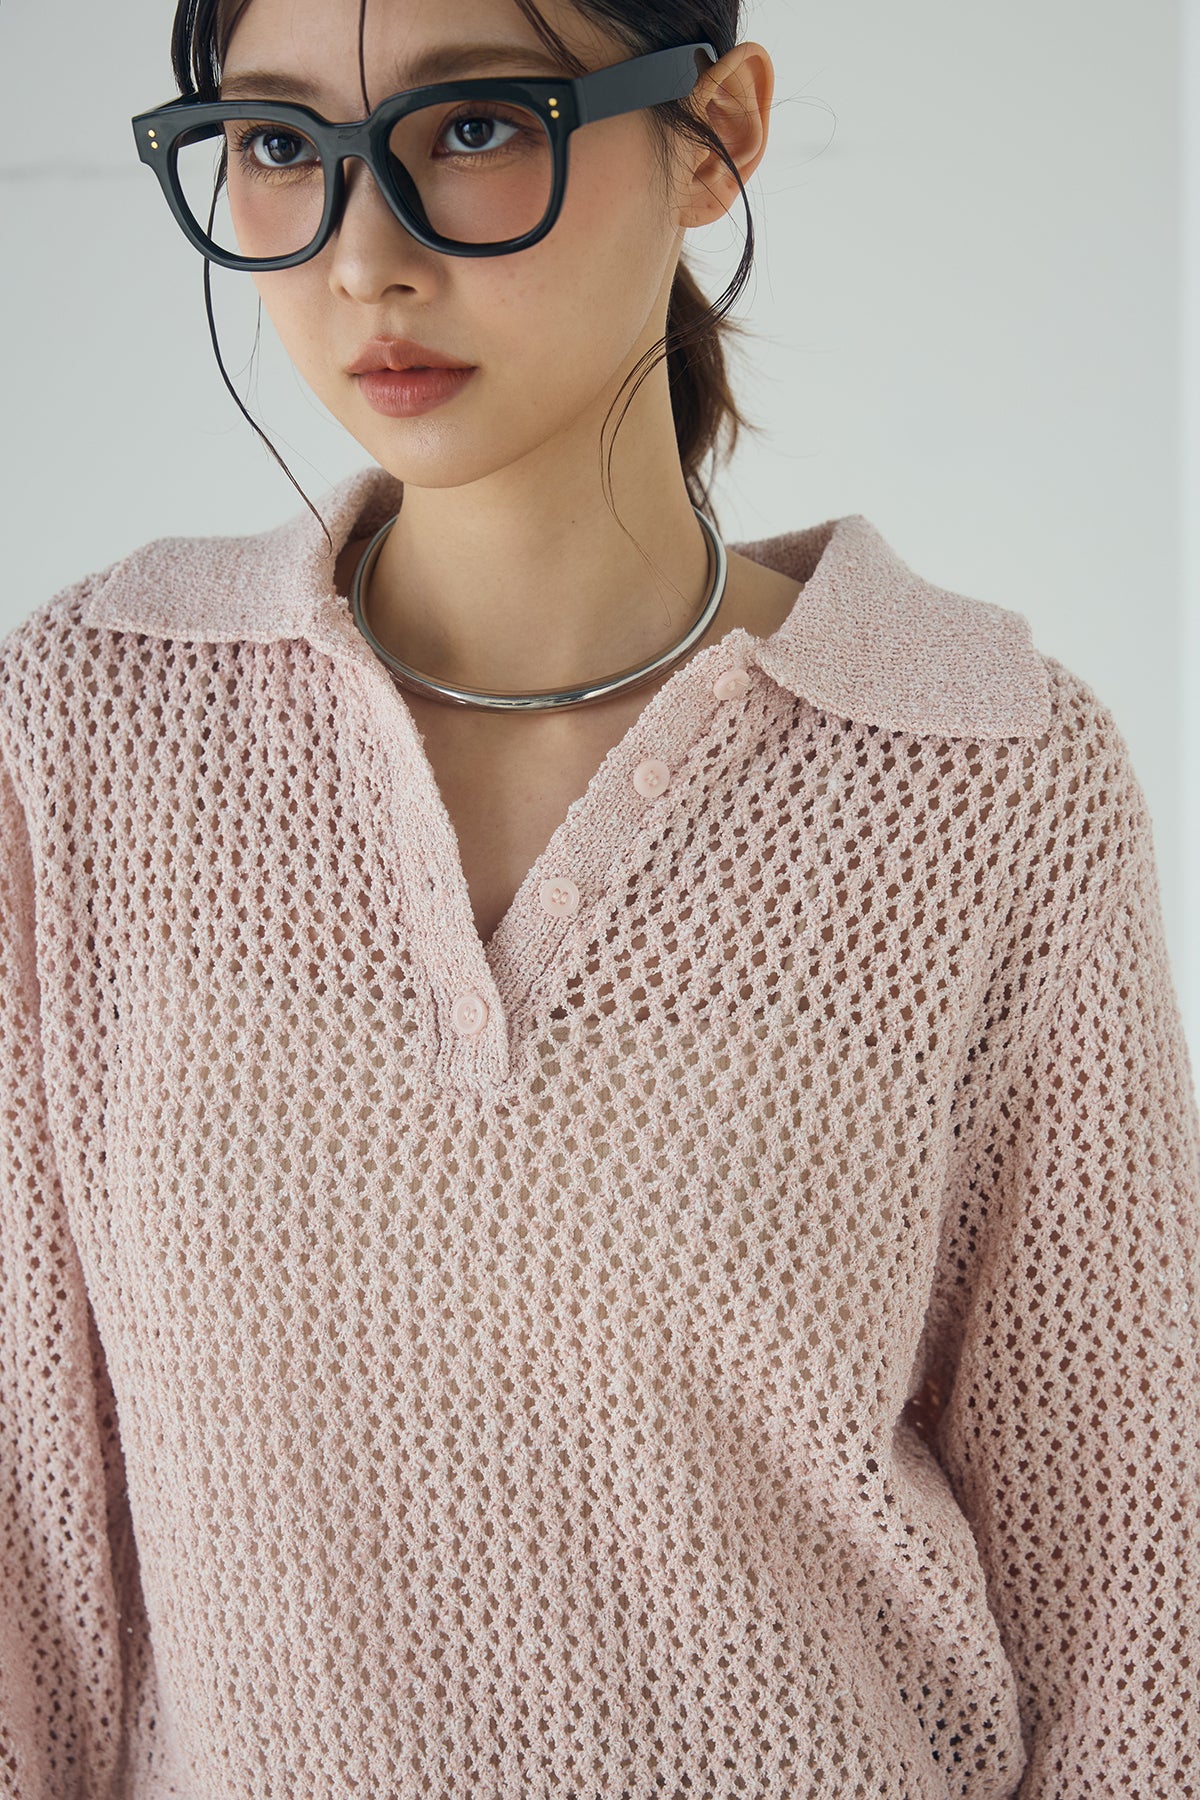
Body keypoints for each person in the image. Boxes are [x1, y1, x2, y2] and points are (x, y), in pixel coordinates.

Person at [1, 0, 1197, 1795]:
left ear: (716, 132)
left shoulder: (984, 769)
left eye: (477, 127)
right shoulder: (94, 724)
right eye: (279, 146)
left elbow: (1135, 1599)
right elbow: (25, 1542)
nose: (367, 256)